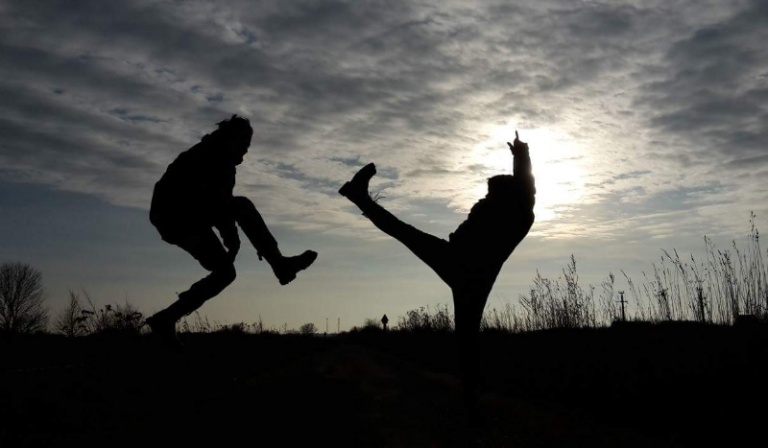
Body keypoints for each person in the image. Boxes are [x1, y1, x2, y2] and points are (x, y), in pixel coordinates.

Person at [339, 131, 535, 411]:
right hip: (470, 271)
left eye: (490, 194)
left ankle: (360, 197)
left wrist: (521, 157)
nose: (485, 197)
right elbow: (527, 189)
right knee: (467, 337)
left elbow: (525, 191)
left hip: (459, 264)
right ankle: (471, 402)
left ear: (503, 198)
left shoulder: (508, 216)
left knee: (403, 232)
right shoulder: (518, 213)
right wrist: (521, 154)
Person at [146, 115, 317, 344]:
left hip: (185, 219)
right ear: (231, 139)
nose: (245, 151)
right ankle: (280, 265)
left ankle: (166, 319)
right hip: (176, 217)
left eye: (248, 146)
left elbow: (218, 205)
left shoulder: (219, 160)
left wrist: (231, 239)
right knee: (242, 206)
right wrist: (232, 239)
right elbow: (216, 203)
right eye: (244, 144)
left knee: (225, 273)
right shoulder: (210, 157)